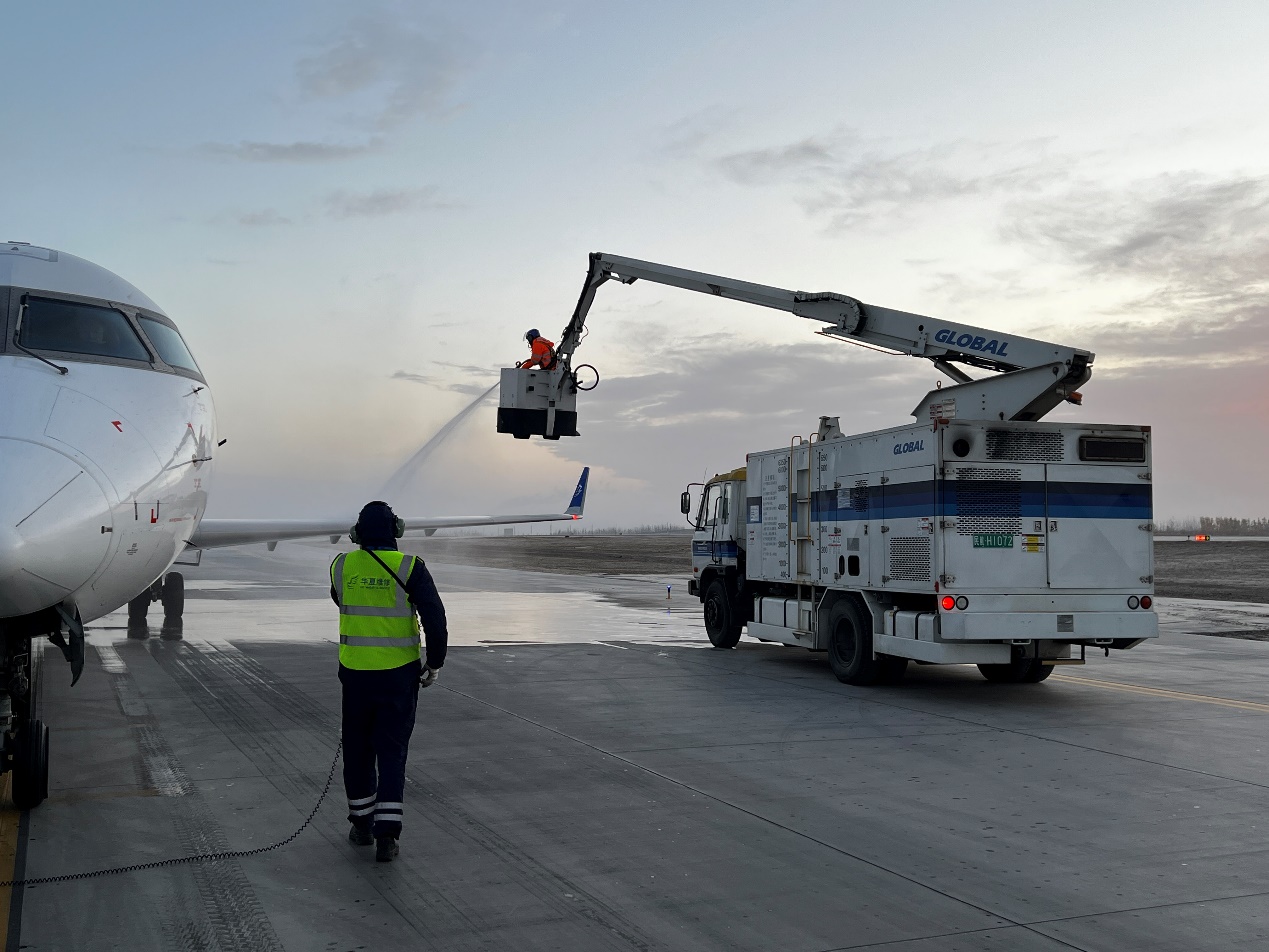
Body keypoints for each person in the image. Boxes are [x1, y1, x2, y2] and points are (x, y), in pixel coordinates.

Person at [330, 500, 448, 862]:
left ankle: (361, 826)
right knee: (392, 754)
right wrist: (435, 662)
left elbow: (339, 598)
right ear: (396, 530)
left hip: (355, 677)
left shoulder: (341, 565)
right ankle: (387, 837)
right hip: (398, 677)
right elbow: (435, 619)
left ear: (356, 534)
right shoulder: (411, 567)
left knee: (357, 752)